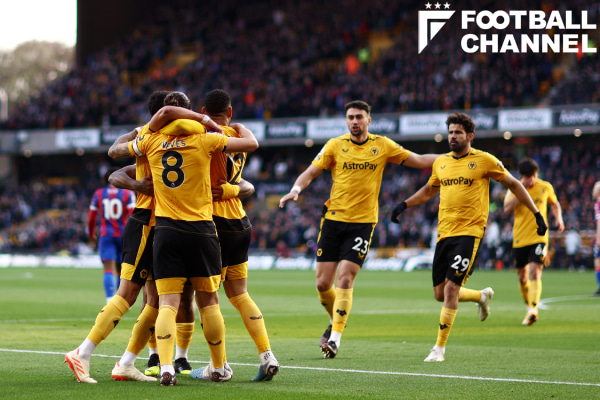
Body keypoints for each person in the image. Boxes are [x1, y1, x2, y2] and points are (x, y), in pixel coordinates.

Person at [64, 91, 219, 384]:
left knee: (156, 302)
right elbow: (114, 165)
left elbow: (114, 159)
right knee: (128, 294)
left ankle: (126, 363)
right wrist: (139, 185)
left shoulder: (158, 138)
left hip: (164, 227)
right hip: (148, 222)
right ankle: (82, 353)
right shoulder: (152, 136)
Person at [110, 92, 259, 385]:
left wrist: (138, 169)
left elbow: (115, 155)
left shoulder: (149, 141)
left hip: (165, 230)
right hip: (203, 230)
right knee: (209, 301)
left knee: (163, 302)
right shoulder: (206, 139)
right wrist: (214, 124)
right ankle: (217, 366)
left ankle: (165, 364)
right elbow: (250, 149)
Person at [279, 100, 439, 358]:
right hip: (332, 220)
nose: (355, 121)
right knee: (322, 284)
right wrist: (295, 190)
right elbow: (310, 172)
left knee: (345, 278)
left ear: (368, 120)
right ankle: (335, 319)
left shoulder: (382, 145)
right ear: (347, 120)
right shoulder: (335, 145)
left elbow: (419, 160)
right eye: (351, 117)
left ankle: (335, 338)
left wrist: (450, 159)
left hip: (362, 224)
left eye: (359, 117)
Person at [390, 112, 547, 362]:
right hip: (444, 234)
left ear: (470, 136)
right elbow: (429, 190)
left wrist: (536, 213)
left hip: (470, 233)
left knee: (452, 288)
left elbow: (515, 185)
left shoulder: (484, 160)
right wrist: (404, 204)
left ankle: (438, 349)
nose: (453, 136)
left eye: (458, 133)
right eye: (450, 132)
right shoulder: (441, 162)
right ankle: (481, 296)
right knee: (440, 294)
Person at [169, 89, 280, 381]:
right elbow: (245, 173)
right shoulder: (238, 135)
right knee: (240, 294)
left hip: (211, 223)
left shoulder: (203, 136)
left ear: (203, 111)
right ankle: (267, 355)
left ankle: (218, 366)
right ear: (230, 112)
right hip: (240, 221)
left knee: (207, 299)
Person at [504, 158, 564, 325]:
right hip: (520, 238)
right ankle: (528, 307)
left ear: (536, 174)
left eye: (533, 176)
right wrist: (521, 189)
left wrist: (559, 219)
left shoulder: (545, 187)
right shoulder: (514, 187)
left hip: (539, 236)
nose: (531, 180)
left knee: (535, 272)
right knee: (522, 277)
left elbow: (555, 204)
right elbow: (506, 208)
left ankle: (533, 309)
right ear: (521, 176)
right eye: (527, 177)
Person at [88, 167, 136, 304]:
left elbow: (91, 218)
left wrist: (91, 234)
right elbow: (133, 215)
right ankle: (121, 300)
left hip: (106, 235)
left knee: (108, 268)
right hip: (123, 234)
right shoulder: (127, 193)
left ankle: (110, 300)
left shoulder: (99, 194)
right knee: (122, 269)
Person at [593, 182, 600, 296]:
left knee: (597, 261)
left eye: (594, 188)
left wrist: (598, 238)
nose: (592, 191)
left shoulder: (598, 203)